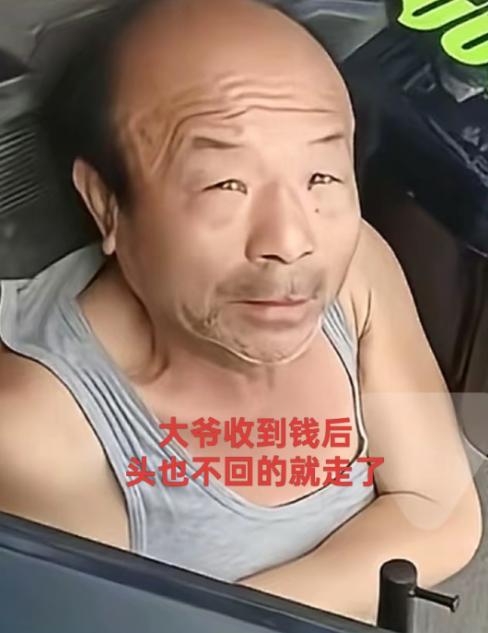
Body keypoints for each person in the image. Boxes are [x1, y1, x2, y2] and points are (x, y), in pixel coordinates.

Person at [0, 0, 481, 623]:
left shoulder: (354, 265)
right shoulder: (44, 427)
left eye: (320, 177)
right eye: (225, 184)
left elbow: (441, 514)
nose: (292, 240)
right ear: (106, 203)